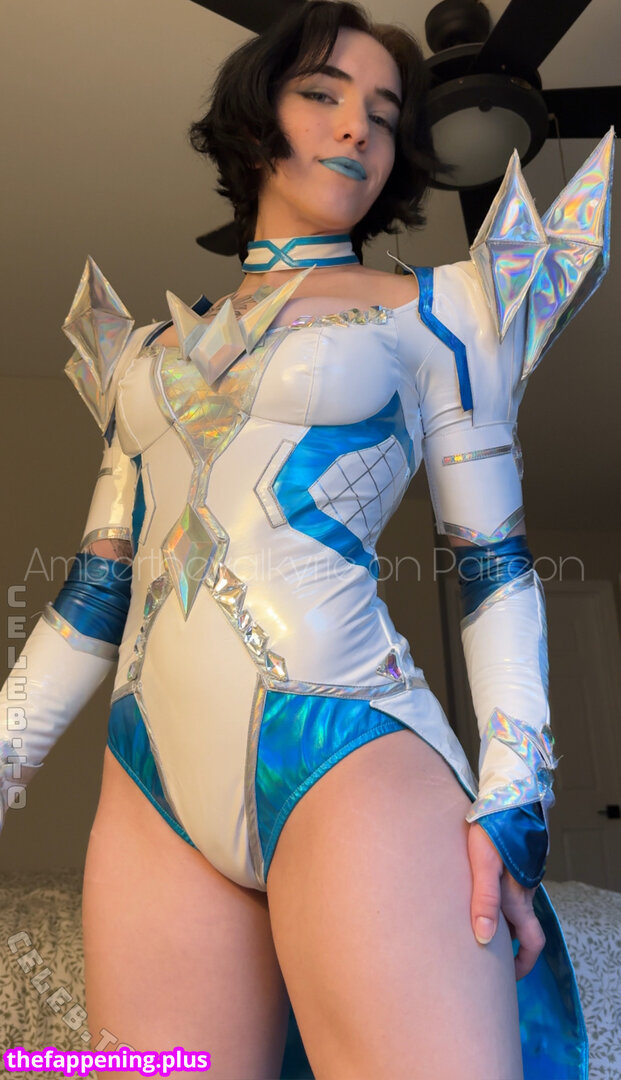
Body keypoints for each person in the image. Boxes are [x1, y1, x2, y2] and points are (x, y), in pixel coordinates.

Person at [1, 1, 611, 1076]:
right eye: (323, 94)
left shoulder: (445, 313)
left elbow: (492, 566)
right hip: (150, 781)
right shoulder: (140, 356)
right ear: (255, 121)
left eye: (384, 111)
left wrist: (514, 791)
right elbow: (96, 592)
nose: (357, 126)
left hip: (349, 747)